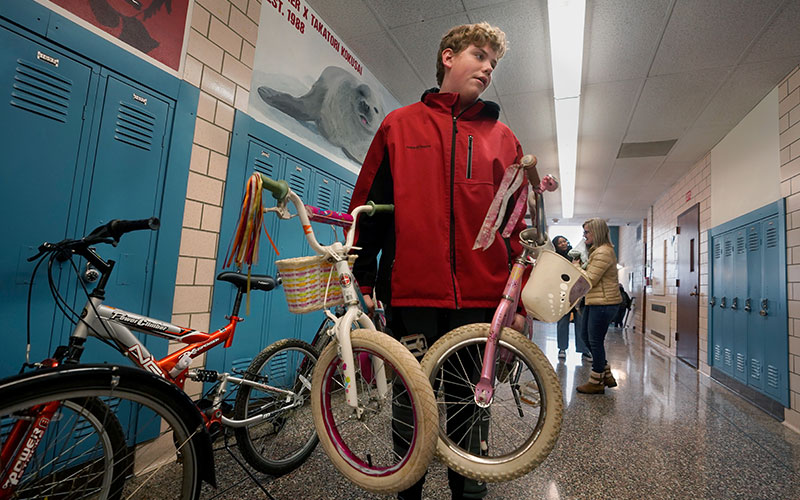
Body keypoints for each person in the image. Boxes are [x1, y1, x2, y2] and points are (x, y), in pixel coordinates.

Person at [348, 22, 538, 500]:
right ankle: (407, 491)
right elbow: (371, 208)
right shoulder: (399, 125)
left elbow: (519, 228)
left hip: (481, 302)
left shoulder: (504, 139)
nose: (489, 68)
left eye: (494, 62)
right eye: (479, 55)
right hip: (412, 297)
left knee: (471, 410)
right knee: (411, 408)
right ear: (448, 57)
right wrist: (363, 282)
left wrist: (522, 300)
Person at [575, 218, 623, 395]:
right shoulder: (598, 250)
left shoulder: (603, 252)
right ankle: (606, 374)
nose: (584, 235)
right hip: (596, 301)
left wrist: (576, 267)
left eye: (587, 232)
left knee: (594, 340)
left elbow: (590, 279)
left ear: (597, 232)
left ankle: (596, 381)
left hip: (603, 303)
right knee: (586, 337)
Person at [552, 235, 589, 360]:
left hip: (578, 294)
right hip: (563, 295)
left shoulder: (575, 255)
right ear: (556, 246)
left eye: (564, 241)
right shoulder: (555, 259)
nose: (563, 244)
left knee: (581, 323)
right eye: (560, 243)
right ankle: (562, 349)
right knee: (563, 323)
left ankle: (584, 350)